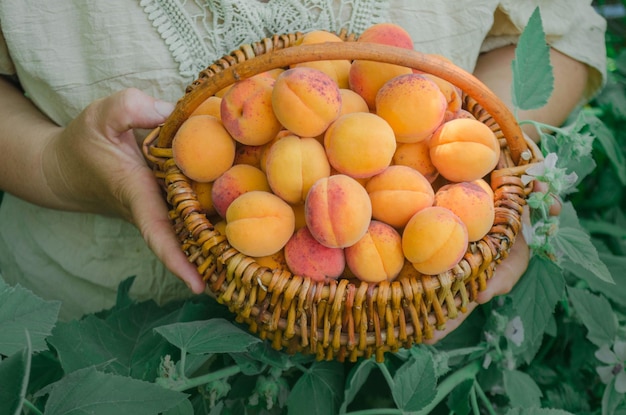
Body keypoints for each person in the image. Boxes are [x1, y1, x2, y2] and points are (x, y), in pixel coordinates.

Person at [0, 1, 606, 326]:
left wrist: (508, 155)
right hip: (94, 316)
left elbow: (561, 32)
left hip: (419, 331)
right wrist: (56, 166)